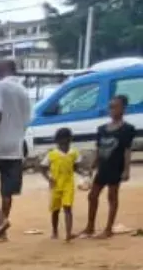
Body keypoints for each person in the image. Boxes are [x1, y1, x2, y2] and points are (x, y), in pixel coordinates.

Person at [0, 59, 33, 242]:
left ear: (2, 69)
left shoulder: (0, 87)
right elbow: (27, 120)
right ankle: (3, 232)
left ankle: (2, 220)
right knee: (7, 192)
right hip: (15, 146)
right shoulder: (24, 91)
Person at [82, 94, 136, 239]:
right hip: (103, 167)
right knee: (92, 196)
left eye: (115, 107)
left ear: (123, 109)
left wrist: (126, 170)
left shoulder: (127, 129)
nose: (111, 110)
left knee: (112, 197)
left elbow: (127, 150)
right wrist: (92, 165)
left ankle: (108, 229)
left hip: (115, 167)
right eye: (110, 107)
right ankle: (90, 226)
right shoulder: (102, 129)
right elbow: (98, 150)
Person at [45, 126, 79, 242]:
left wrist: (84, 173)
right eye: (61, 141)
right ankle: (55, 231)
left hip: (68, 185)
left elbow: (75, 167)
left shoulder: (74, 153)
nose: (64, 143)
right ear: (57, 141)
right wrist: (49, 178)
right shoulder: (52, 154)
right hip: (56, 186)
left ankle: (68, 233)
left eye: (66, 140)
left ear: (70, 140)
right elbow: (41, 167)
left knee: (68, 208)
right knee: (55, 210)